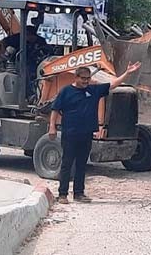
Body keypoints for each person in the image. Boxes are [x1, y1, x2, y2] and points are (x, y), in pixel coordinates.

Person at [48, 61, 141, 204]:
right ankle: (62, 194)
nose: (86, 81)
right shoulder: (66, 91)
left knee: (81, 164)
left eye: (88, 78)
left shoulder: (93, 90)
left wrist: (127, 73)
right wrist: (52, 127)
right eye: (83, 78)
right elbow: (55, 109)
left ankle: (79, 193)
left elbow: (113, 85)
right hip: (70, 133)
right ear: (76, 77)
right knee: (67, 163)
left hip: (86, 133)